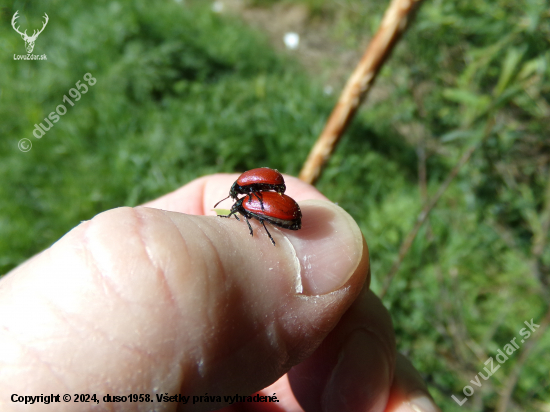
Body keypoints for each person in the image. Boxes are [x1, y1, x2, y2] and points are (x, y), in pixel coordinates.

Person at [0, 173, 440, 412]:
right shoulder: (250, 199)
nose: (240, 205)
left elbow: (262, 206)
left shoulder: (249, 201)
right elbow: (266, 200)